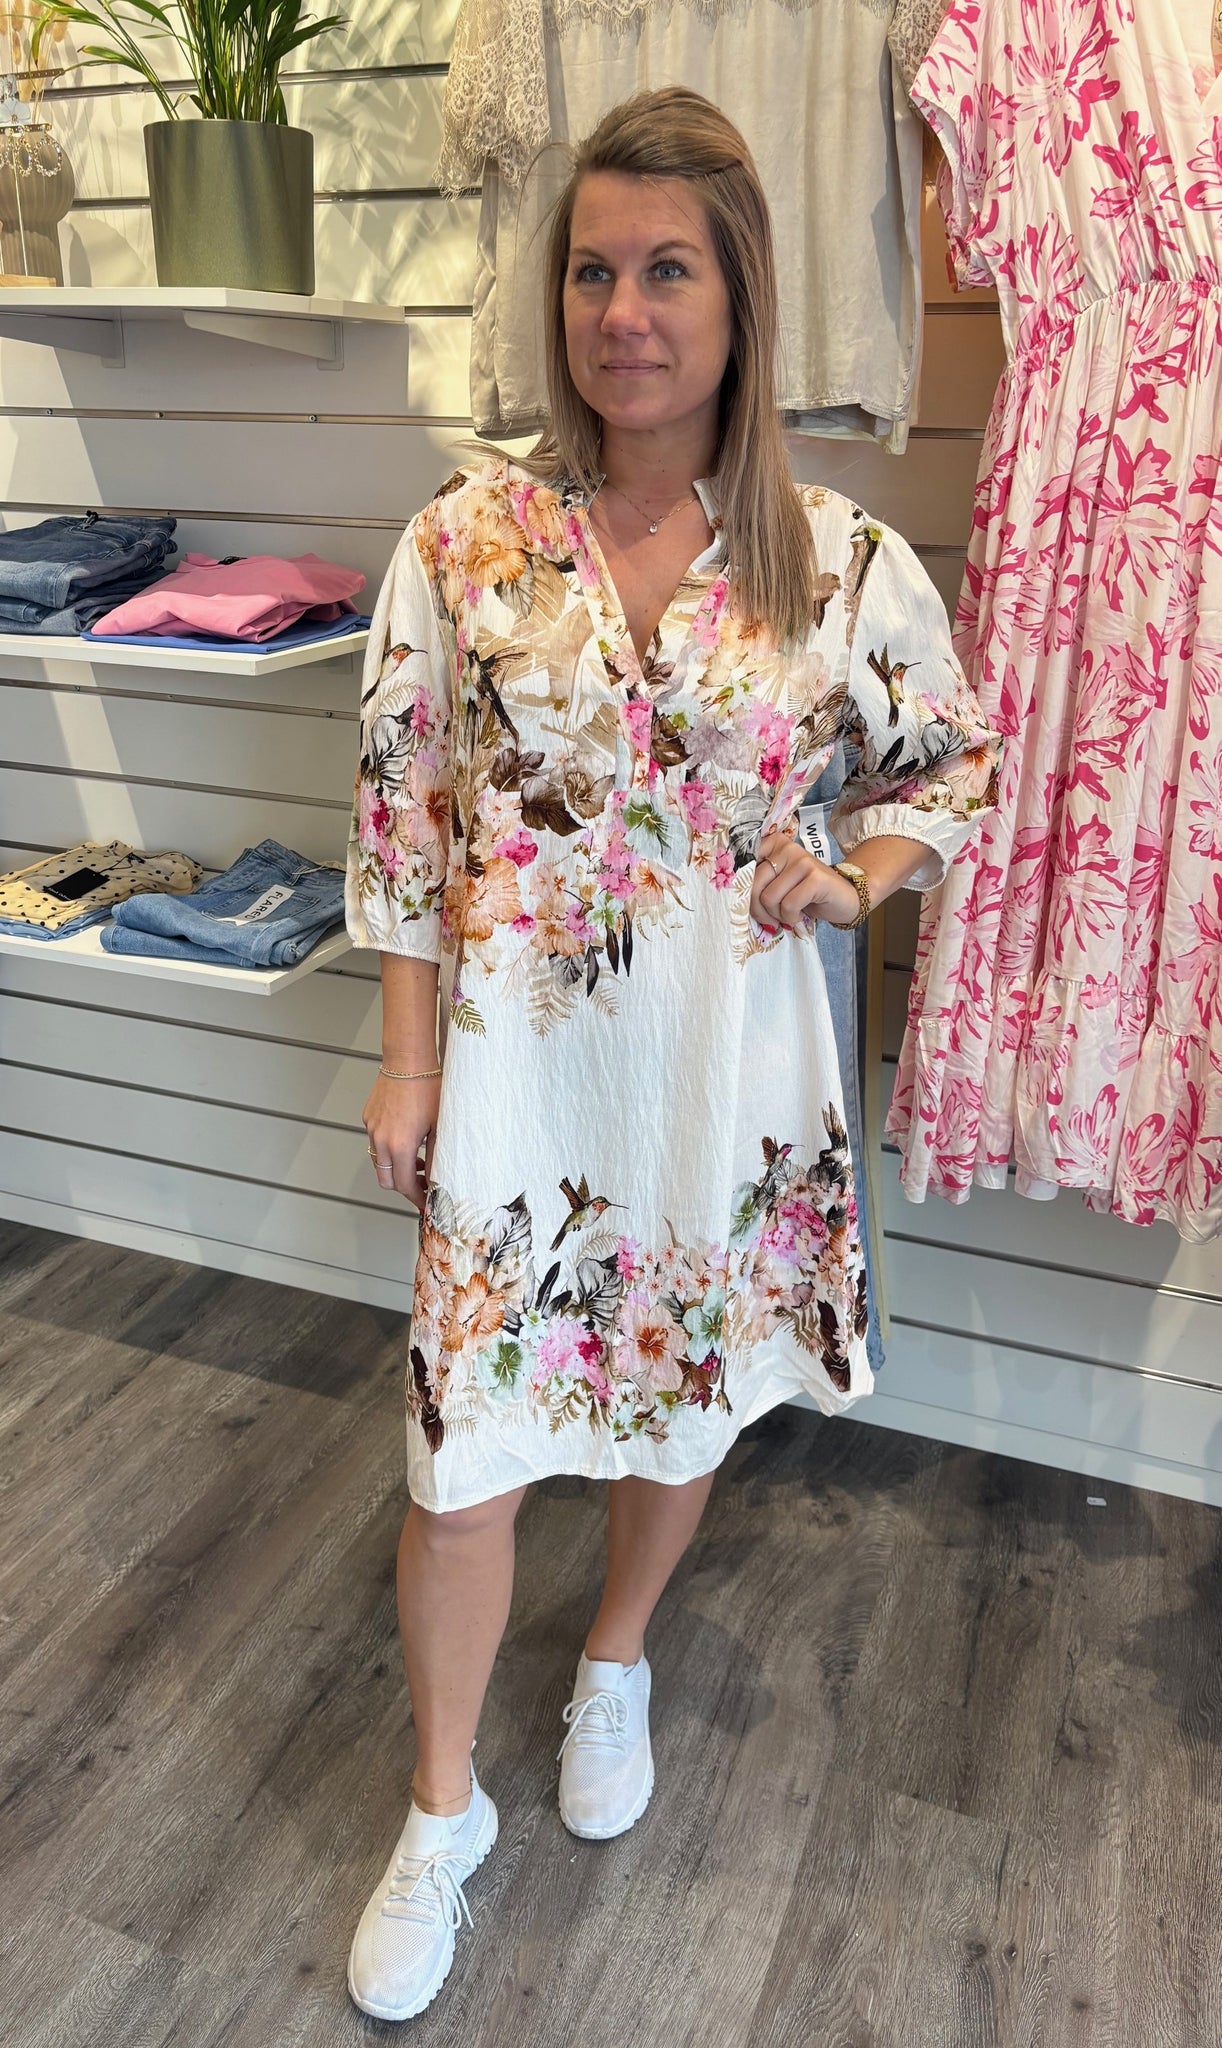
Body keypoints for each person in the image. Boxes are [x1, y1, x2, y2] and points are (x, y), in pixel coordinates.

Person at [343, 85, 1000, 2024]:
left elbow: (951, 757)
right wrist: (405, 1064)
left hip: (719, 1082)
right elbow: (403, 818)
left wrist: (854, 872)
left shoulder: (832, 561)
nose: (620, 312)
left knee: (671, 1404)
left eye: (664, 272)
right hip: (515, 1081)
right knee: (460, 1457)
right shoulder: (463, 544)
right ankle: (440, 1805)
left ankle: (613, 1652)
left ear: (738, 298)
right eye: (589, 272)